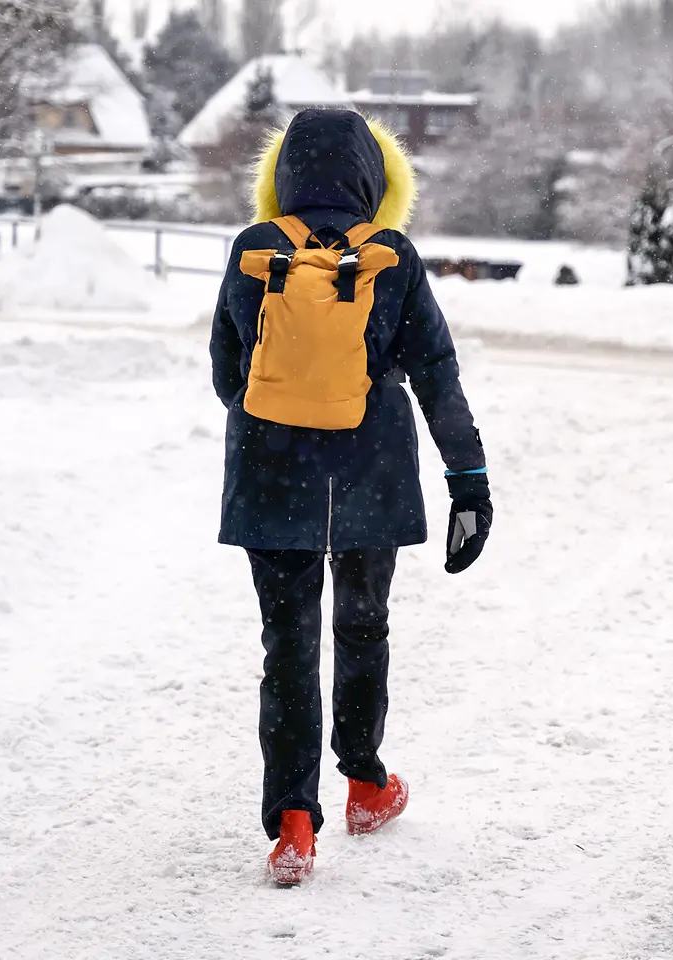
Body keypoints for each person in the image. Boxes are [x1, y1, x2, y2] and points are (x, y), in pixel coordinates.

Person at [209, 109, 492, 884]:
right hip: (372, 475)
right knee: (363, 629)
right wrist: (468, 480)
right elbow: (436, 372)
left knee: (288, 647)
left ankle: (294, 823)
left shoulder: (255, 251)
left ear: (283, 175)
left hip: (272, 479)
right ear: (375, 177)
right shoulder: (391, 256)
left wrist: (285, 411)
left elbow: (227, 374)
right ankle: (366, 783)